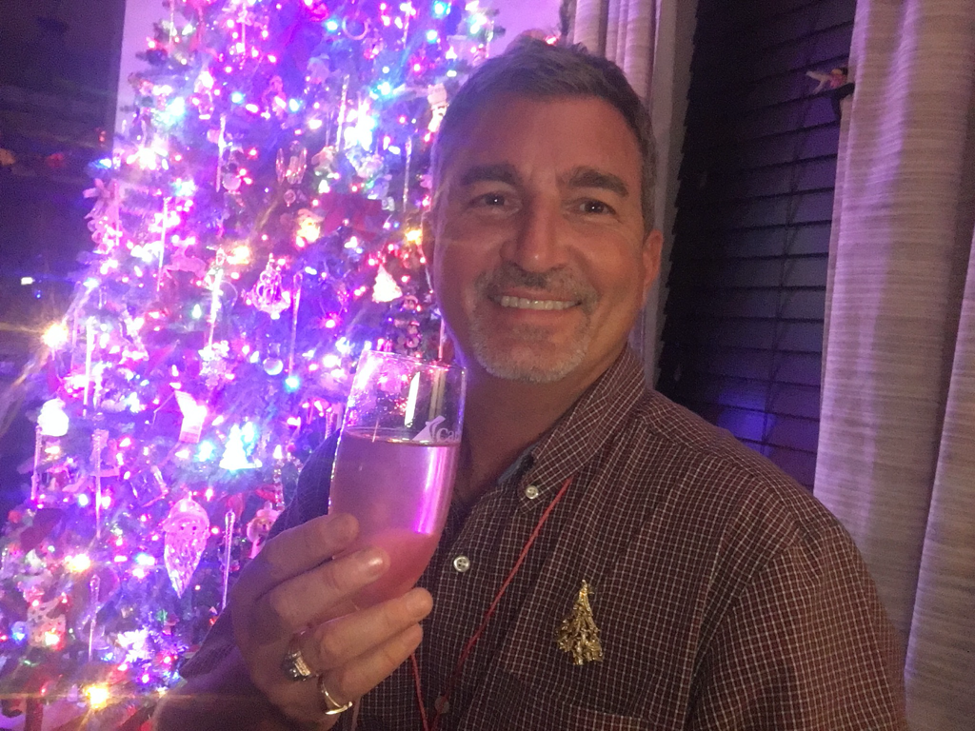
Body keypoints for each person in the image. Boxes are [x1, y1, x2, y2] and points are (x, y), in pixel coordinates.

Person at [155, 40, 907, 731]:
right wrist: (261, 689)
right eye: (492, 198)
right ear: (433, 238)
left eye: (590, 205)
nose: (537, 250)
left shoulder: (769, 558)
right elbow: (192, 717)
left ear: (646, 262)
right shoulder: (339, 475)